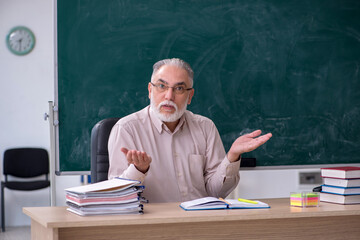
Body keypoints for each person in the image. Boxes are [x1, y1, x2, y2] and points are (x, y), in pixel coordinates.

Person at [108, 58, 272, 203]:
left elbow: (217, 192)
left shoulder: (205, 127)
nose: (169, 96)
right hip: (150, 226)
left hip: (199, 222)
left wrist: (232, 156)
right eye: (162, 86)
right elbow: (114, 196)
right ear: (150, 90)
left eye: (179, 89)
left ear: (190, 95)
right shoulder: (127, 129)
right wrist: (138, 170)